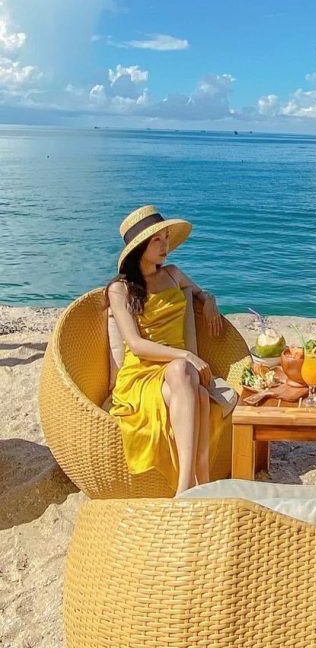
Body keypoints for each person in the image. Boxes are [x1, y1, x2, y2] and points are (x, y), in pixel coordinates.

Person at [106, 205, 226, 495]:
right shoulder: (120, 290)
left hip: (179, 374)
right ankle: (190, 485)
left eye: (166, 238)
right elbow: (136, 345)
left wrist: (209, 300)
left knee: (196, 390)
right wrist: (186, 354)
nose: (165, 246)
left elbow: (199, 292)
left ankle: (195, 485)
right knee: (191, 382)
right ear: (140, 247)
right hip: (143, 374)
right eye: (157, 240)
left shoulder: (173, 274)